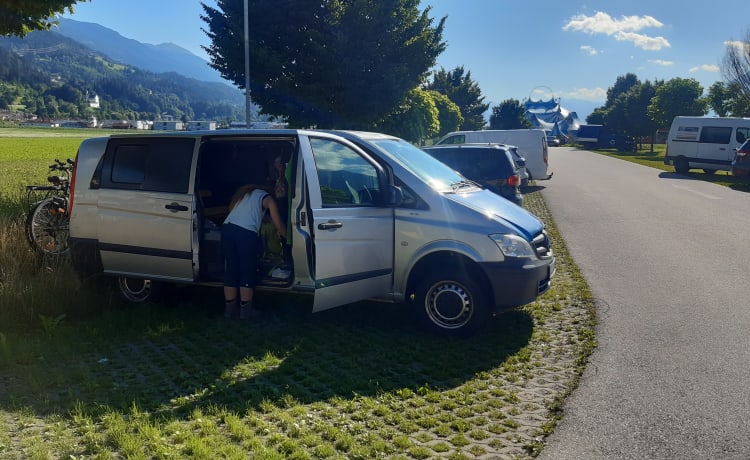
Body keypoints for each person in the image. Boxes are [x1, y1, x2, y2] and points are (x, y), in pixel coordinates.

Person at [222, 184, 287, 320]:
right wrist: (288, 238)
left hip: (227, 230)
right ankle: (245, 312)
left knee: (232, 269)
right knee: (247, 270)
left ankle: (229, 311)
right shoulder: (268, 198)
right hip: (245, 234)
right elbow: (278, 225)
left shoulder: (245, 194)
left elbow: (250, 215)